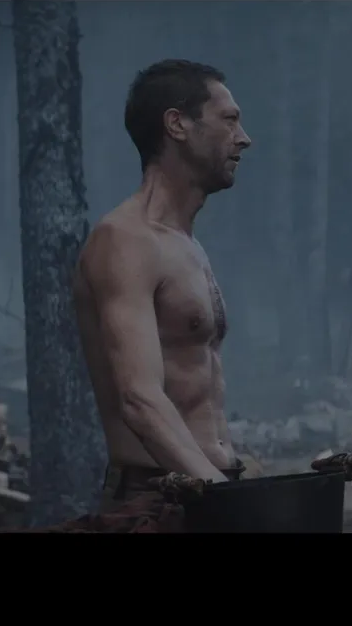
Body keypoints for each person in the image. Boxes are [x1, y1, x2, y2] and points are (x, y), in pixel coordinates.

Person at [72, 59, 256, 512]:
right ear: (177, 124)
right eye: (229, 120)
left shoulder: (186, 245)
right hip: (159, 502)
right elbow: (140, 399)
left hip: (208, 492)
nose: (243, 138)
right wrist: (223, 502)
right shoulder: (124, 241)